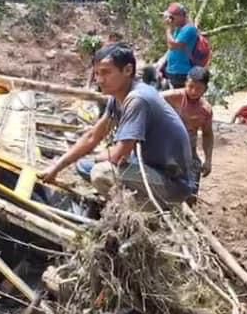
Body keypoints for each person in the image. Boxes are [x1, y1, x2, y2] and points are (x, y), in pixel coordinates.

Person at [40, 43, 195, 206]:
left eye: (106, 73)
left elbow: (118, 156)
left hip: (172, 183)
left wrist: (101, 157)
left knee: (101, 172)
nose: (99, 80)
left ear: (128, 70)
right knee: (83, 167)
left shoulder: (137, 100)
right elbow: (93, 136)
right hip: (150, 167)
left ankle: (140, 211)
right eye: (97, 73)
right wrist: (57, 167)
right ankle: (139, 199)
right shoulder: (118, 97)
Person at [160, 66, 214, 192]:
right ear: (185, 83)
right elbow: (146, 100)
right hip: (166, 145)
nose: (194, 91)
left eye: (199, 88)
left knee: (192, 178)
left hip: (188, 148)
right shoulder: (170, 96)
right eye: (190, 86)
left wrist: (208, 160)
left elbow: (207, 134)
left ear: (205, 89)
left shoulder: (205, 110)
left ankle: (190, 202)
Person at [158, 2, 199, 90]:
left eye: (172, 17)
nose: (170, 20)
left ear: (181, 16)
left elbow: (174, 45)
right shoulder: (179, 29)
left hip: (182, 72)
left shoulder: (189, 29)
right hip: (173, 71)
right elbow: (170, 47)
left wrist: (168, 29)